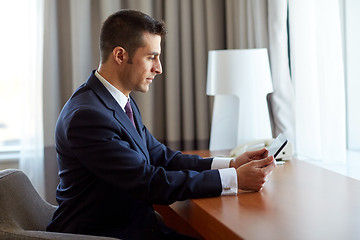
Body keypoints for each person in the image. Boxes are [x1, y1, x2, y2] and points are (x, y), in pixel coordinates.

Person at [46, 9, 275, 240]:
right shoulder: (86, 116)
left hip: (136, 227)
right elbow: (148, 182)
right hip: (107, 234)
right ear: (120, 55)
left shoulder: (118, 100)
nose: (159, 68)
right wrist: (234, 179)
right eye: (151, 57)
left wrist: (231, 164)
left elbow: (163, 157)